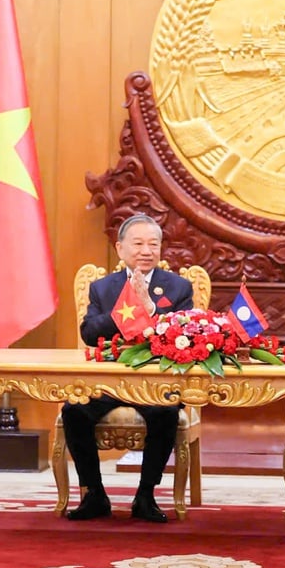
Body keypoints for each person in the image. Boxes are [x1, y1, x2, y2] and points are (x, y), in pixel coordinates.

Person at [64, 213, 194, 523]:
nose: (146, 250)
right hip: (109, 380)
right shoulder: (102, 288)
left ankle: (146, 495)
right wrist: (126, 310)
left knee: (166, 412)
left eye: (153, 244)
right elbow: (89, 333)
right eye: (138, 243)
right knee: (73, 410)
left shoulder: (178, 287)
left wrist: (149, 306)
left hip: (155, 380)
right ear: (120, 248)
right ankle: (94, 494)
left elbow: (186, 335)